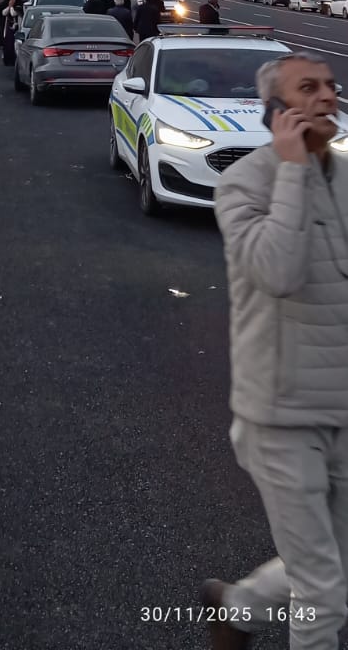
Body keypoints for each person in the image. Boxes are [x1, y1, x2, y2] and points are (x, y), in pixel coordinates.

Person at [204, 52, 348, 648]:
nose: (327, 96)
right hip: (280, 416)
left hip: (343, 405)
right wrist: (293, 169)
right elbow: (278, 271)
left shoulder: (344, 174)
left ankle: (236, 609)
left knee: (333, 566)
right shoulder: (244, 183)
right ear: (277, 112)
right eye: (308, 88)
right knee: (323, 593)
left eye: (331, 86)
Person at [2, 0, 20, 67]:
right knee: (7, 44)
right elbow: (4, 13)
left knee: (13, 44)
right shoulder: (8, 7)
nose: (12, 0)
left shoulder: (17, 7)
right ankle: (7, 60)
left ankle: (13, 60)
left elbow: (13, 14)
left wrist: (11, 7)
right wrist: (9, 7)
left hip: (15, 28)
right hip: (8, 27)